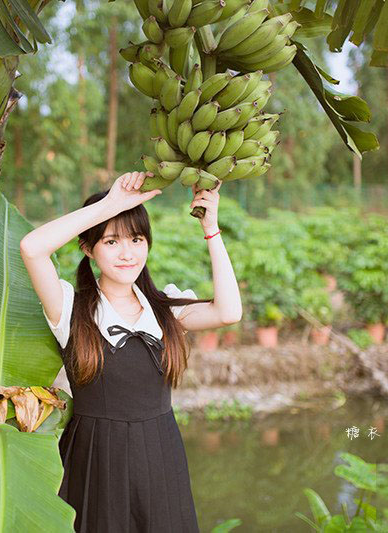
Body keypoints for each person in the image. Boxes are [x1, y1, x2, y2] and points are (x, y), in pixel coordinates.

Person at [19, 170, 242, 532]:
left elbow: (229, 312)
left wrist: (211, 230)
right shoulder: (70, 309)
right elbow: (32, 247)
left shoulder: (165, 309)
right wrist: (111, 205)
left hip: (160, 453)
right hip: (95, 458)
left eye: (137, 239)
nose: (127, 253)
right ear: (88, 249)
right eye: (111, 242)